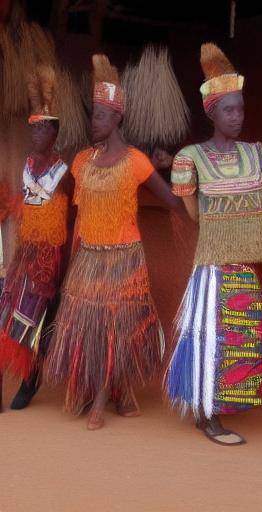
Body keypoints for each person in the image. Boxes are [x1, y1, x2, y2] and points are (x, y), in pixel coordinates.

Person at [45, 54, 181, 430]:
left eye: (100, 116)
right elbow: (72, 206)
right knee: (84, 325)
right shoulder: (81, 162)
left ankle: (102, 401)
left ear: (117, 119)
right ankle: (117, 394)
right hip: (88, 256)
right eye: (93, 115)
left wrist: (182, 169)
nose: (93, 122)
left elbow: (171, 200)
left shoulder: (136, 161)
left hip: (124, 259)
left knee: (113, 328)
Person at [165, 43, 262, 446]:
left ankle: (220, 407)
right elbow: (194, 214)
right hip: (214, 269)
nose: (237, 116)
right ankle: (207, 412)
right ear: (212, 113)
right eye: (228, 110)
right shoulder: (190, 159)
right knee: (209, 337)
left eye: (240, 108)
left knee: (242, 340)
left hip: (248, 269)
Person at [0, 66, 70, 411]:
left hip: (49, 258)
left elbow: (70, 219)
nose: (37, 133)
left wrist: (64, 267)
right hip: (24, 254)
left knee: (35, 318)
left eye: (43, 128)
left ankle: (31, 378)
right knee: (6, 310)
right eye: (34, 127)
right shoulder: (27, 164)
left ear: (55, 132)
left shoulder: (63, 171)